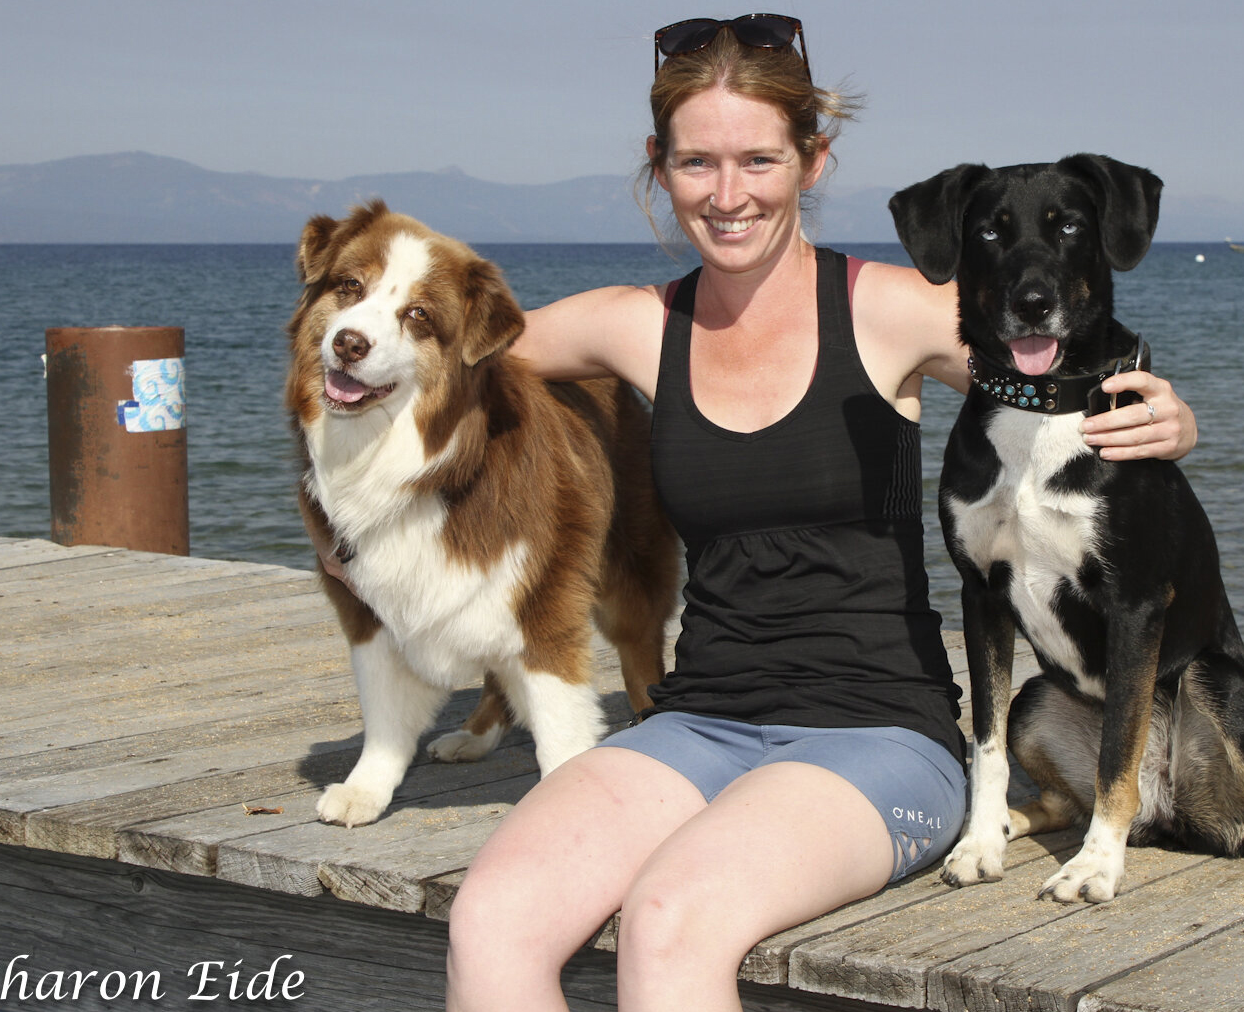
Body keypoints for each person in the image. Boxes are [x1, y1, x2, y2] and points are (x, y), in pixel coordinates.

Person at [397, 16, 1194, 1012]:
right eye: (697, 161)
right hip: (697, 724)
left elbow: (1066, 359)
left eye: (759, 159)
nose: (728, 194)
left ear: (813, 160)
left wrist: (1166, 412)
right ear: (660, 166)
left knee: (669, 920)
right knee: (492, 916)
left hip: (880, 739)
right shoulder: (639, 324)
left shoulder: (891, 308)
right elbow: (454, 355)